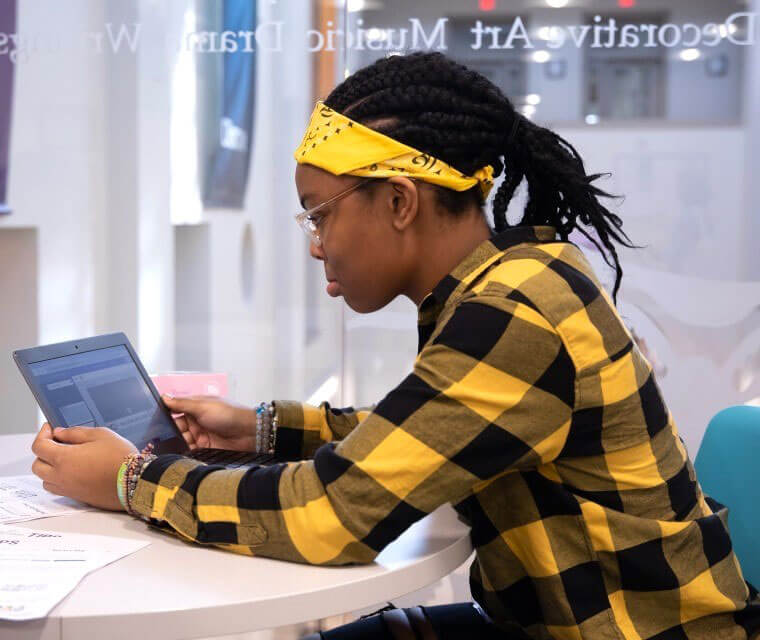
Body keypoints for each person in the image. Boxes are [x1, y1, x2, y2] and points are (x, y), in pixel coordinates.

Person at [30, 52, 759, 640]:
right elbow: (417, 433)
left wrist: (131, 482)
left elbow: (330, 517)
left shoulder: (516, 312)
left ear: (401, 201)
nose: (315, 246)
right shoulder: (515, 280)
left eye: (319, 214)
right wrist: (256, 426)